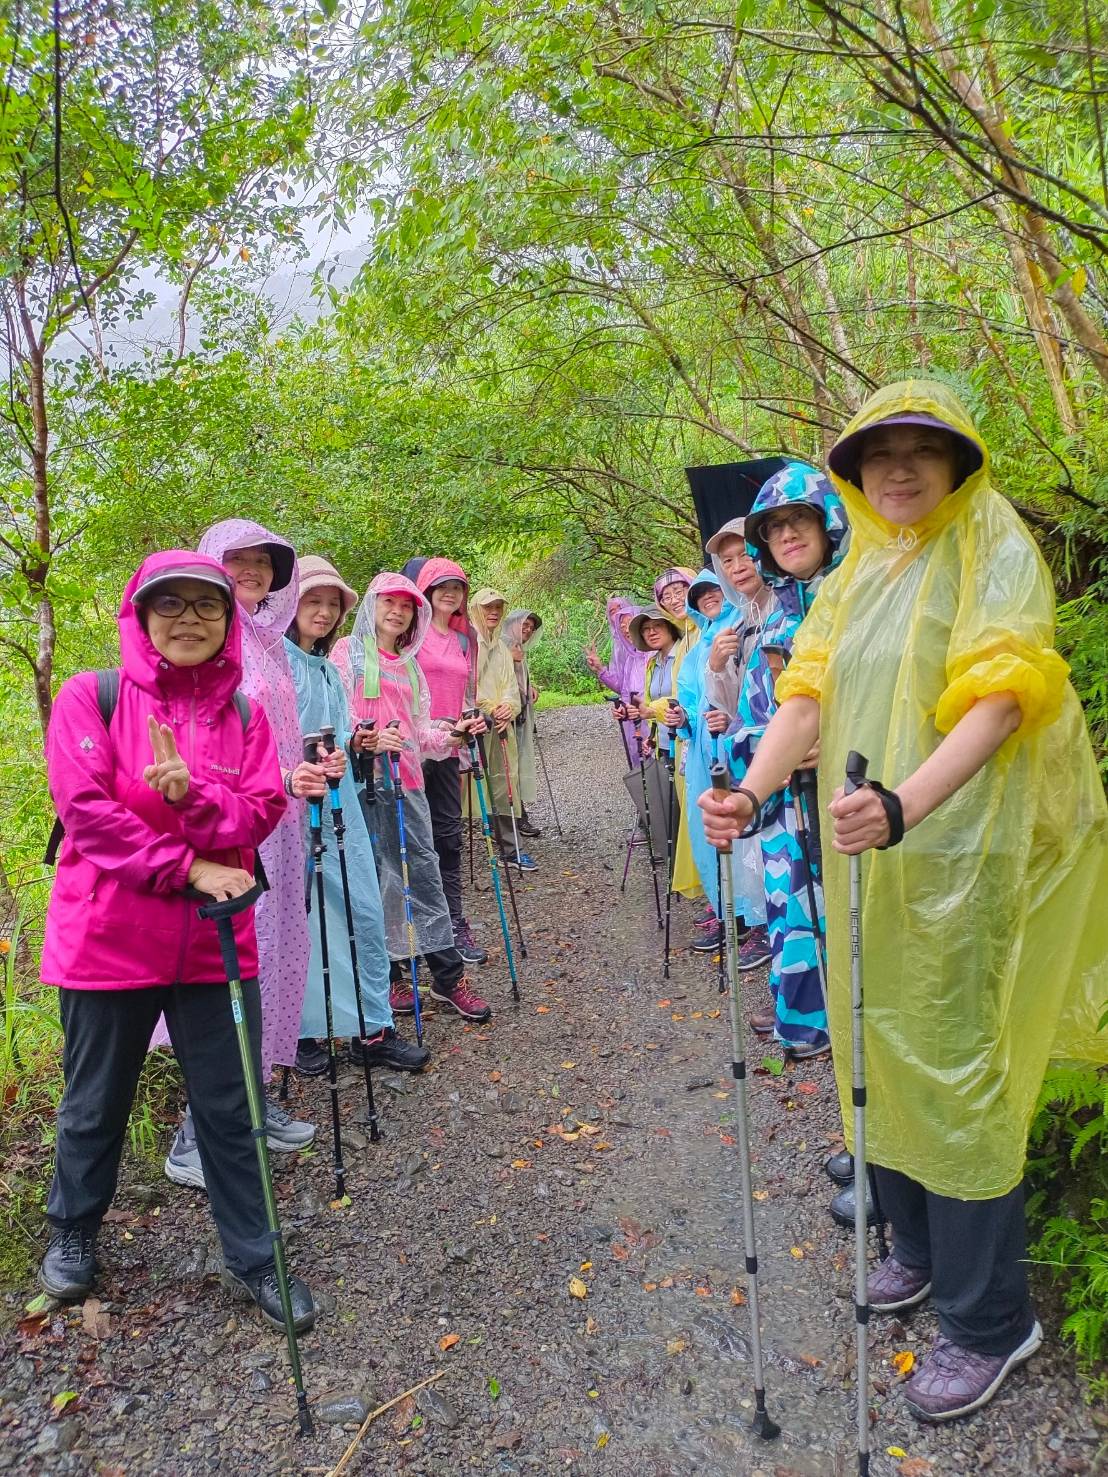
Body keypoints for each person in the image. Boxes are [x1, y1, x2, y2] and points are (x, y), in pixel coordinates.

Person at [700, 380, 1108, 1423]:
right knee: (874, 1039)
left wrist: (903, 802)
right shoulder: (862, 571)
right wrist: (749, 787)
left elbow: (1006, 693)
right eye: (877, 451)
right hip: (866, 855)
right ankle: (915, 1251)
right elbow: (809, 690)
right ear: (853, 471)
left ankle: (990, 1320)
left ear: (959, 461)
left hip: (961, 858)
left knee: (957, 1066)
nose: (898, 467)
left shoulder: (990, 547)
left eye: (922, 449)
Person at [39, 552, 315, 1332]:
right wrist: (190, 863)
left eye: (207, 604)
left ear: (230, 622)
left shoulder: (247, 715)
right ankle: (72, 1233)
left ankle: (255, 1253)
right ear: (141, 616)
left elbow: (259, 810)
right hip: (106, 941)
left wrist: (195, 799)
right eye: (171, 605)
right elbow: (89, 814)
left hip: (213, 945)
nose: (189, 618)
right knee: (95, 1101)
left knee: (234, 1105)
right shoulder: (89, 698)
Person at [163, 520, 315, 1190]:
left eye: (261, 561)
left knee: (269, 958)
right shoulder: (210, 640)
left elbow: (275, 733)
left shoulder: (265, 639)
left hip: (279, 825)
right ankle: (196, 1133)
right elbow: (201, 742)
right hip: (227, 827)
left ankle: (254, 1103)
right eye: (237, 560)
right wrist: (275, 780)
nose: (251, 570)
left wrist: (308, 766)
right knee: (223, 967)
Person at [721, 465, 848, 1057]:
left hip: (847, 798)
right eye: (774, 528)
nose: (789, 534)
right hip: (783, 804)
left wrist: (837, 737)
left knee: (846, 914)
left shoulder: (855, 598)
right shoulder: (774, 615)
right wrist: (766, 750)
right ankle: (801, 1018)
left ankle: (846, 1029)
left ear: (828, 522)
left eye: (800, 519)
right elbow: (750, 717)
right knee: (790, 910)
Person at [285, 556, 428, 1072]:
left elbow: (340, 731)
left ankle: (371, 1027)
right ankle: (302, 1032)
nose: (323, 612)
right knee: (302, 919)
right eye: (312, 600)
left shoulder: (325, 668)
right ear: (289, 603)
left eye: (331, 604)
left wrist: (358, 742)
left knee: (362, 910)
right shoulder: (272, 663)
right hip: (290, 809)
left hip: (341, 804)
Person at [333, 573, 493, 1024]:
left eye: (407, 605)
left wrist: (454, 734)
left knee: (423, 875)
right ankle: (390, 974)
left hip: (409, 785)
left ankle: (446, 977)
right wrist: (361, 740)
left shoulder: (408, 664)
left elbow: (420, 732)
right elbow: (338, 716)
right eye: (390, 601)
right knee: (377, 881)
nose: (398, 611)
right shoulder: (347, 653)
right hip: (364, 785)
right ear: (373, 604)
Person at [663, 570, 748, 951]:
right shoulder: (698, 647)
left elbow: (753, 687)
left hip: (738, 747)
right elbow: (692, 702)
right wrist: (683, 719)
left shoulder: (741, 625)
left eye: (713, 590)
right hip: (703, 750)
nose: (707, 598)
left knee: (743, 830)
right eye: (700, 595)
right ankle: (727, 908)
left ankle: (752, 918)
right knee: (709, 832)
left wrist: (732, 717)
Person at [413, 557, 487, 966]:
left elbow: (465, 692)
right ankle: (414, 927)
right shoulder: (410, 634)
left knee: (448, 836)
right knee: (411, 840)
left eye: (457, 587)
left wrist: (474, 717)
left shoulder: (463, 640)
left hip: (449, 748)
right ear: (425, 590)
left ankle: (451, 923)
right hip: (410, 750)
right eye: (441, 586)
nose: (449, 593)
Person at [469, 587, 537, 872]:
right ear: (476, 610)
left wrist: (509, 706)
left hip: (500, 724)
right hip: (473, 723)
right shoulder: (468, 644)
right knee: (469, 785)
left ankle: (511, 847)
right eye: (488, 607)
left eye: (498, 607)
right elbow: (466, 685)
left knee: (503, 782)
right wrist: (487, 708)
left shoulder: (501, 648)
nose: (494, 612)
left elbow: (511, 686)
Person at [503, 609, 543, 837]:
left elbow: (517, 677)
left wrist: (529, 688)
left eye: (531, 627)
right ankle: (512, 819)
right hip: (504, 718)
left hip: (519, 716)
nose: (527, 630)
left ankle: (518, 816)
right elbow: (489, 672)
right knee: (507, 770)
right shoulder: (501, 645)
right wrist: (509, 657)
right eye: (524, 625)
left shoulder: (517, 646)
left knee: (515, 767)